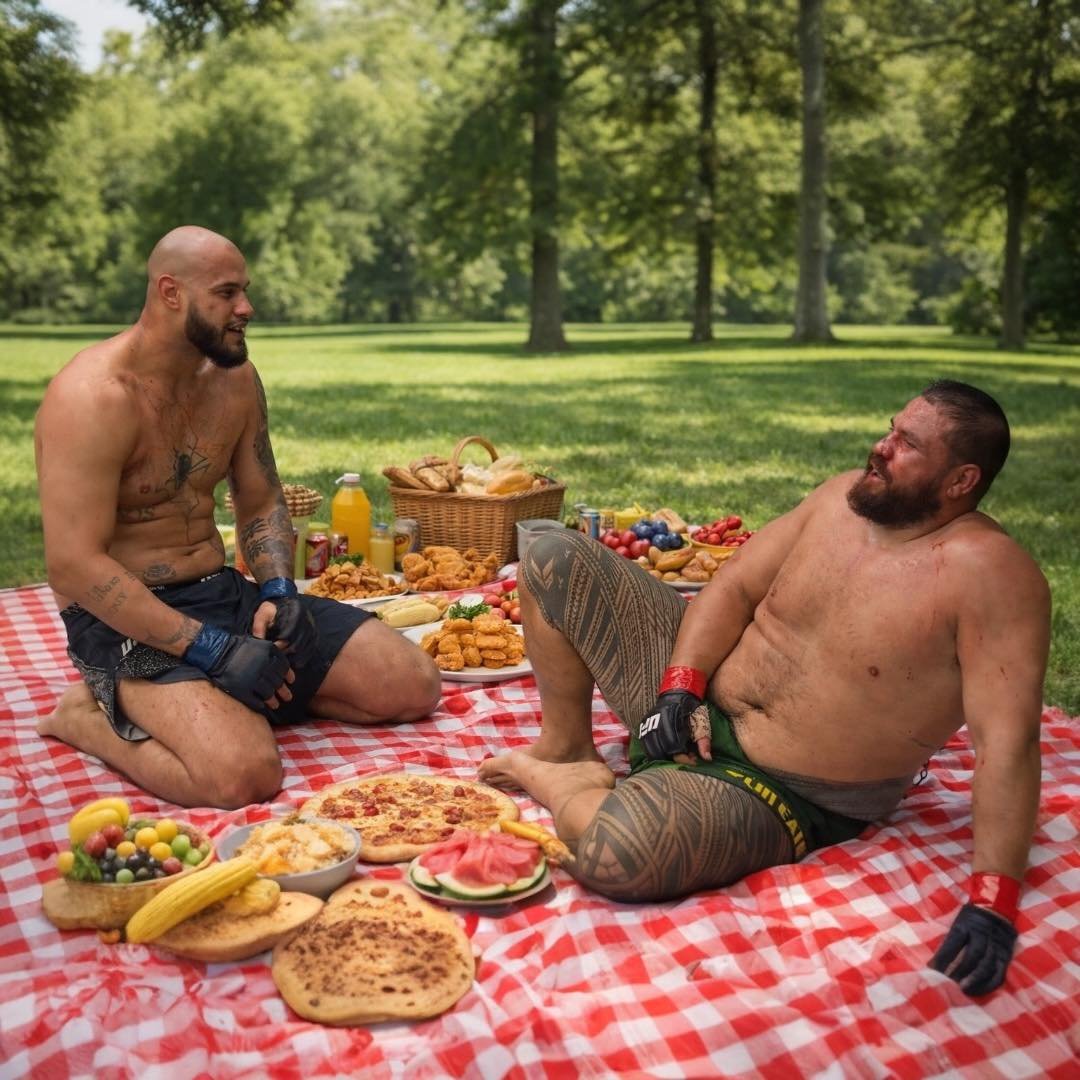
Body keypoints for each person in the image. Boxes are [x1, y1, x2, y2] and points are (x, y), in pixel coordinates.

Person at [480, 381, 1050, 997]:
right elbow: (734, 589)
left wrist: (993, 898)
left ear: (961, 481)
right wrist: (679, 688)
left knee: (615, 855)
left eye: (906, 444)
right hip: (692, 708)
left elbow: (1007, 744)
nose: (880, 448)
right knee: (552, 554)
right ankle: (567, 749)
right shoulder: (842, 497)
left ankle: (568, 786)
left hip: (784, 789)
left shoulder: (992, 575)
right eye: (891, 428)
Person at [35, 226, 441, 808]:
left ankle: (228, 701)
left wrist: (279, 590)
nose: (246, 308)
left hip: (222, 593)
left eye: (244, 290)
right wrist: (212, 653)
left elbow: (260, 498)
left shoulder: (235, 379)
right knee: (243, 777)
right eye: (226, 293)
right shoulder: (93, 397)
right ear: (170, 292)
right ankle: (87, 716)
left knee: (411, 683)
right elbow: (74, 566)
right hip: (121, 618)